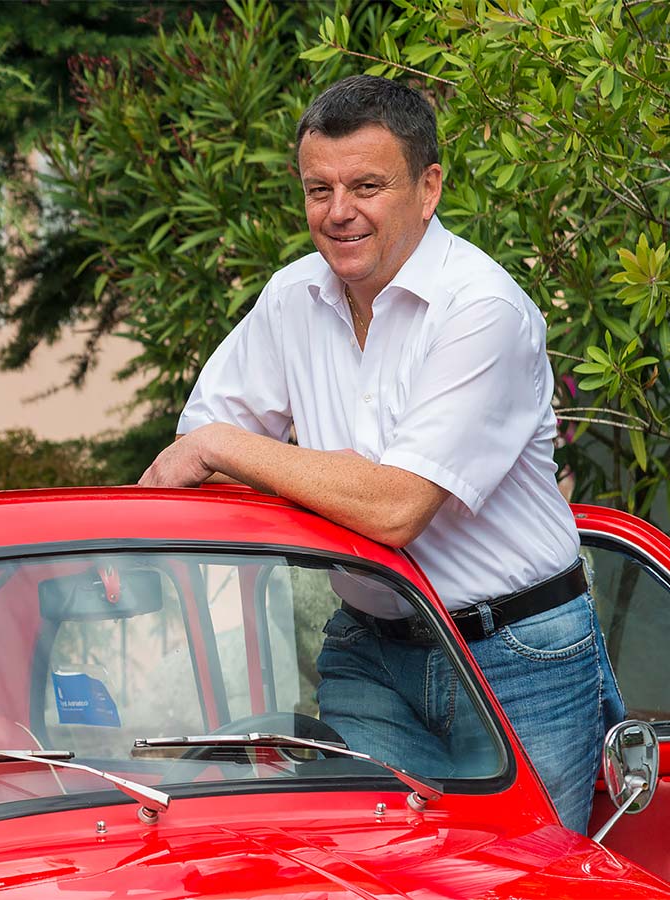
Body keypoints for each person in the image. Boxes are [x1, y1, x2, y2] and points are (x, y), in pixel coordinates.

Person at [138, 75, 624, 834]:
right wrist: (209, 456)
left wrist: (226, 446)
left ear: (428, 188)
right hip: (369, 647)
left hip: (516, 657)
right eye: (317, 189)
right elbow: (187, 463)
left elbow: (394, 506)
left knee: (523, 876)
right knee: (373, 868)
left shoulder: (481, 311)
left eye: (366, 185)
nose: (338, 213)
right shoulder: (293, 298)